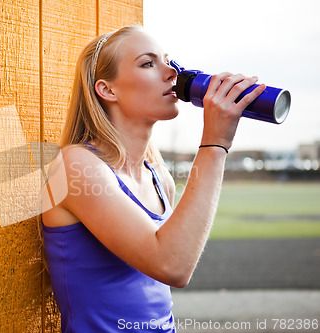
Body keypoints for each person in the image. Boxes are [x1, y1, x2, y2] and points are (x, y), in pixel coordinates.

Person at [41, 25, 265, 332]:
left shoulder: (159, 177)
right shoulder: (75, 166)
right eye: (148, 63)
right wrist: (215, 144)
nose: (171, 72)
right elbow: (172, 266)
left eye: (168, 60)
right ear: (107, 90)